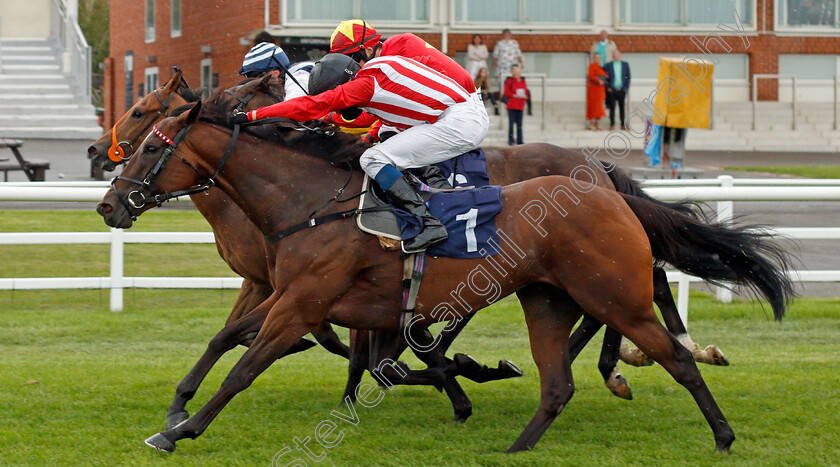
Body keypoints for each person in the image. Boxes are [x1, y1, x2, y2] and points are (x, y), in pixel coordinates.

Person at [233, 53, 489, 253]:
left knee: (372, 158)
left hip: (459, 122)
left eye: (340, 96)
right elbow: (371, 116)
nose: (345, 103)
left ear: (342, 85)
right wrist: (337, 121)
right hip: (462, 112)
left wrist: (252, 116)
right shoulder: (378, 69)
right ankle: (435, 191)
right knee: (386, 135)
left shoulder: (362, 87)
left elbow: (311, 105)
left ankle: (430, 222)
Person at [328, 19, 481, 145]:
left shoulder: (392, 63)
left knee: (386, 143)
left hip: (462, 114)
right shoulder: (396, 45)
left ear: (368, 50)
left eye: (350, 60)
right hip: (456, 109)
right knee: (384, 135)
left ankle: (434, 181)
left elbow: (369, 117)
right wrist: (369, 137)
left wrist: (326, 117)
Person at [604, 50, 631, 131]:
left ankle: (622, 124)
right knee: (612, 108)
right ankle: (612, 124)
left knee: (622, 108)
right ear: (613, 56)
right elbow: (605, 77)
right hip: (612, 90)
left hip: (621, 90)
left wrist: (626, 88)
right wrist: (608, 87)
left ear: (620, 55)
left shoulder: (625, 64)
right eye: (614, 55)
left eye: (617, 55)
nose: (616, 56)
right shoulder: (608, 65)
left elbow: (628, 77)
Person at [492, 28, 524, 96]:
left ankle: (512, 96)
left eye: (508, 34)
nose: (506, 36)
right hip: (502, 67)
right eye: (505, 34)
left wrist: (521, 63)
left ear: (510, 35)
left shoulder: (514, 43)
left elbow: (518, 54)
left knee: (513, 82)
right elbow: (495, 55)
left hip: (512, 67)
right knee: (503, 82)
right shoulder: (499, 43)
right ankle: (503, 96)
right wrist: (494, 63)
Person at [503, 65, 529, 145]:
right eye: (516, 72)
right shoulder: (510, 81)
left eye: (519, 72)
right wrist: (514, 95)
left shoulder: (523, 81)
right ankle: (511, 140)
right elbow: (506, 92)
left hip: (520, 105)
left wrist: (525, 97)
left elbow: (526, 92)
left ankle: (520, 141)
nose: (518, 74)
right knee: (511, 124)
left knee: (519, 125)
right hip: (512, 105)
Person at [586, 53, 608, 131]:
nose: (598, 59)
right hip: (593, 90)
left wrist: (604, 79)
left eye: (599, 58)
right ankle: (591, 124)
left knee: (599, 107)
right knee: (592, 107)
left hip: (600, 91)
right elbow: (591, 76)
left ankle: (597, 124)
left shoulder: (601, 68)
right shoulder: (591, 66)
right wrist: (598, 80)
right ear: (594, 59)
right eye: (596, 58)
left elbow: (605, 76)